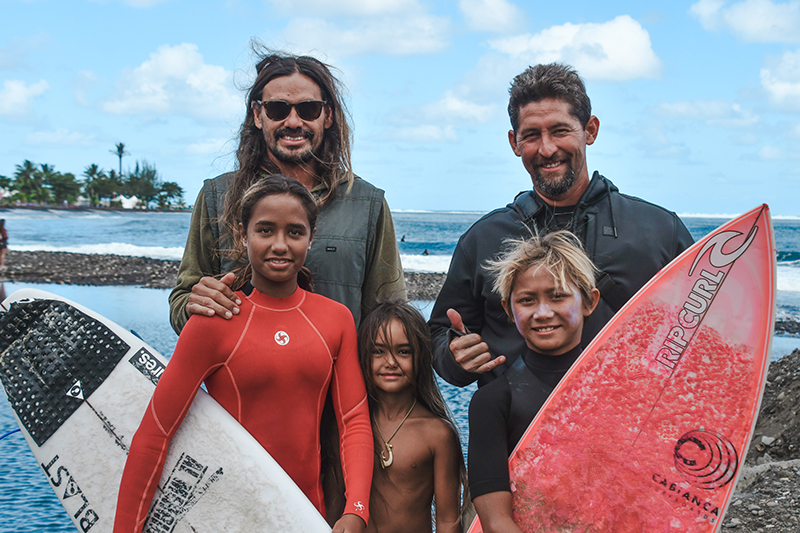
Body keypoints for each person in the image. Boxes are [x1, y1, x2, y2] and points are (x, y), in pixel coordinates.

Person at [115, 176, 373, 533]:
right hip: (227, 520)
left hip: (305, 518)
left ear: (311, 238)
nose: (280, 245)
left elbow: (354, 422)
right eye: (265, 230)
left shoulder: (335, 319)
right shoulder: (214, 323)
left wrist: (356, 508)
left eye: (295, 233)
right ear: (242, 234)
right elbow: (156, 433)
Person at [429, 62, 693, 388]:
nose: (547, 148)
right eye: (531, 135)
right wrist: (454, 357)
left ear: (590, 130)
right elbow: (440, 333)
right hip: (514, 429)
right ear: (514, 142)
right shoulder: (484, 239)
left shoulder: (658, 230)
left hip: (630, 429)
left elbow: (707, 329)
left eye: (560, 130)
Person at [169, 47, 405, 334]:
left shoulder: (367, 204)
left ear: (327, 115)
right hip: (242, 376)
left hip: (336, 376)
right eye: (278, 109)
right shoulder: (218, 196)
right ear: (258, 115)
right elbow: (182, 303)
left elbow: (390, 316)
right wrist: (198, 303)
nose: (293, 122)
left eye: (308, 109)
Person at [468, 231, 600, 532]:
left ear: (589, 302)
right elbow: (495, 520)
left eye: (558, 296)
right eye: (527, 300)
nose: (542, 312)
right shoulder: (493, 402)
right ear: (508, 309)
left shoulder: (617, 390)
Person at [358, 301, 468, 533]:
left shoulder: (437, 433)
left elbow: (448, 521)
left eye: (403, 351)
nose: (390, 362)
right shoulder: (352, 426)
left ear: (421, 357)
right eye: (378, 351)